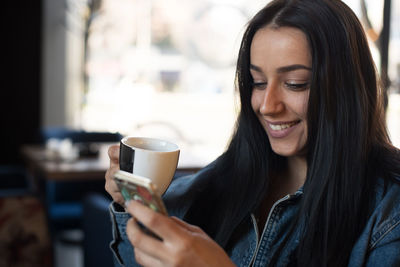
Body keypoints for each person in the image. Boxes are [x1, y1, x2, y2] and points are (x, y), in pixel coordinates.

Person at [105, 0, 400, 266]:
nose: (267, 106)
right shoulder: (222, 179)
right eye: (258, 82)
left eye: (295, 83)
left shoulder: (389, 213)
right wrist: (132, 204)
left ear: (346, 89)